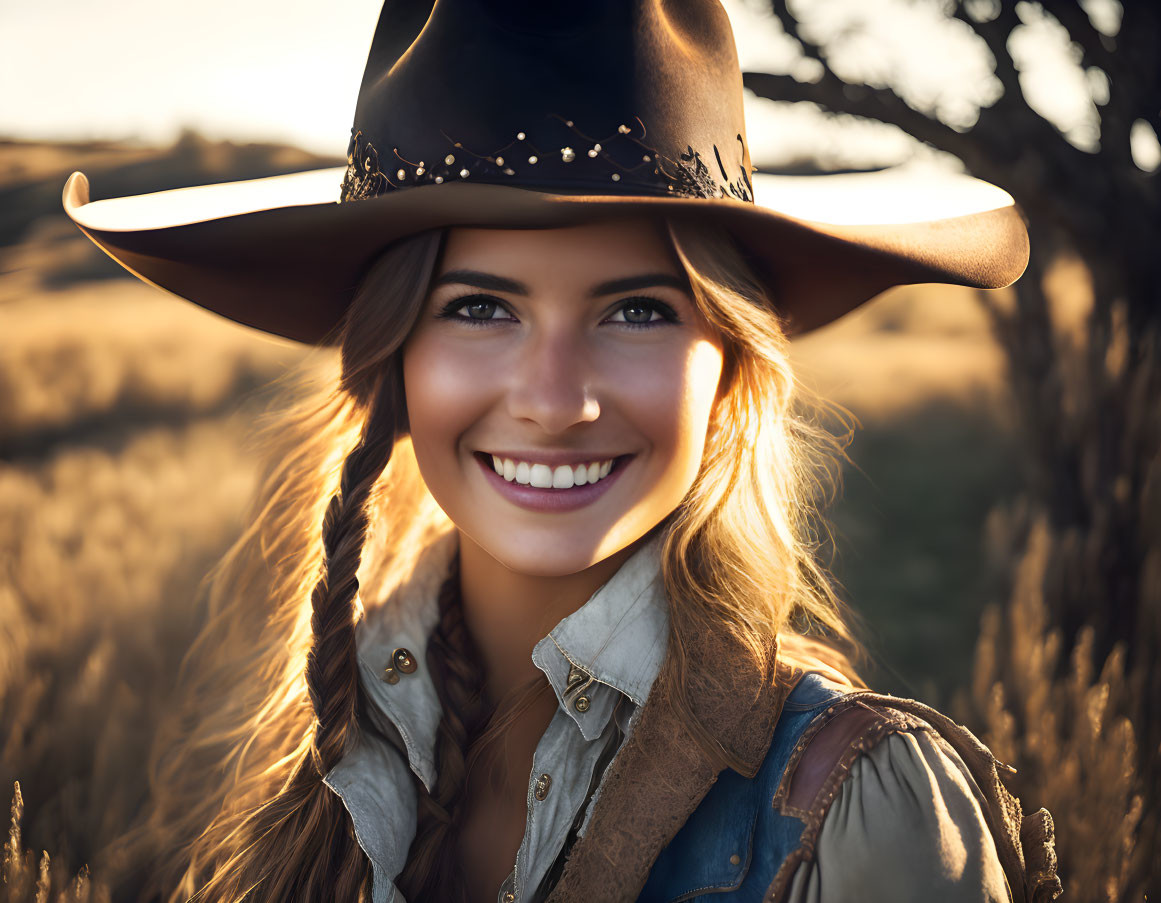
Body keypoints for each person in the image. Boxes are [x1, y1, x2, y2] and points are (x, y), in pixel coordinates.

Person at [63, 2, 1062, 901]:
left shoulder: (856, 809)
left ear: (731, 367)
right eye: (481, 308)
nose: (555, 401)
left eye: (635, 310)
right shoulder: (338, 738)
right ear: (393, 361)